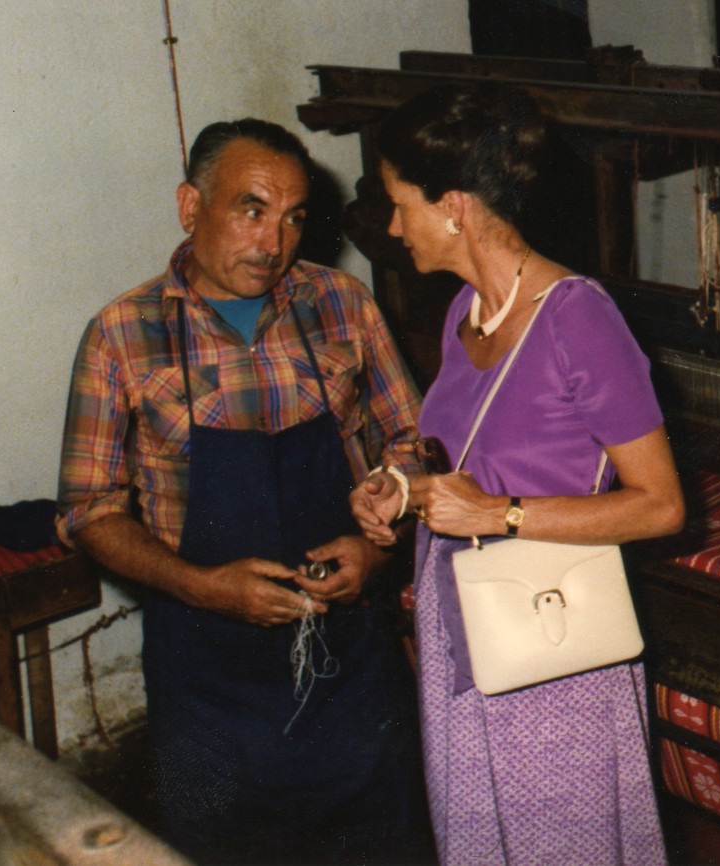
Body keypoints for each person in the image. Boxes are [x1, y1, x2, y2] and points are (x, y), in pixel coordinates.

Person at [57, 118, 428, 865]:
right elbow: (88, 510)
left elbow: (416, 449)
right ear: (191, 208)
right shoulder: (121, 335)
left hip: (352, 666)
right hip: (205, 680)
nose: (274, 242)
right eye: (251, 210)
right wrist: (200, 587)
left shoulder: (342, 304)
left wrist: (377, 551)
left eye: (293, 218)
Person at [350, 82, 686, 866]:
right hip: (457, 623)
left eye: (401, 202)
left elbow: (662, 505)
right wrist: (402, 491)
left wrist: (498, 516)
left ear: (455, 205)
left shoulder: (578, 316)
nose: (393, 226)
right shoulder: (462, 311)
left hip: (546, 638)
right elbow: (458, 466)